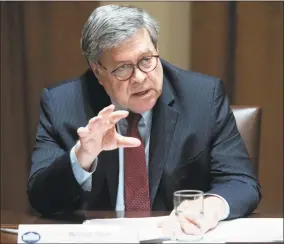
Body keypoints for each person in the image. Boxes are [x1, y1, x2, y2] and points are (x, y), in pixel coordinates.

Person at [27, 4, 261, 236]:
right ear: (97, 71)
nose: (139, 77)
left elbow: (240, 181)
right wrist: (82, 156)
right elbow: (41, 199)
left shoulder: (202, 97)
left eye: (146, 60)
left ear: (156, 48)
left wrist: (209, 207)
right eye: (122, 68)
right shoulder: (62, 105)